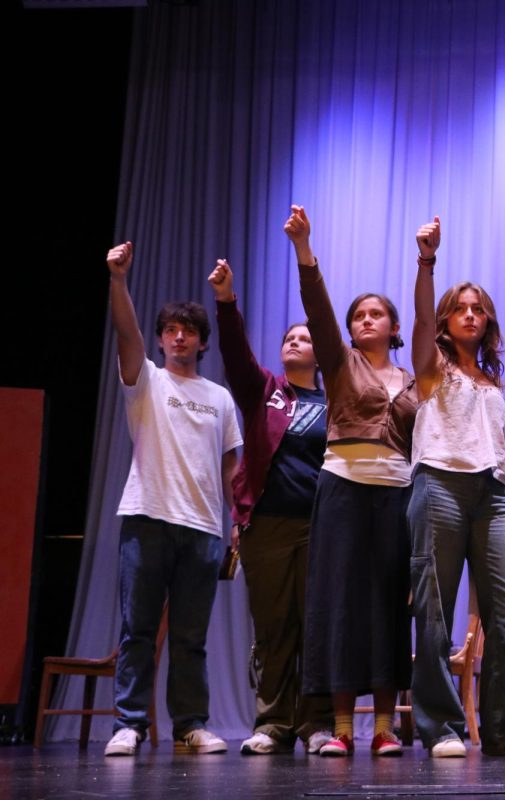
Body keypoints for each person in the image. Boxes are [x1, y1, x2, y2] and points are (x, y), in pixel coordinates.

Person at [286, 205, 418, 757]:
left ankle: (384, 726)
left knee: (387, 601)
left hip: (396, 494)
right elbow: (317, 309)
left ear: (393, 326)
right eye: (358, 315)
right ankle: (342, 728)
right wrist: (304, 251)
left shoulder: (414, 380)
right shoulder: (339, 362)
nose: (365, 320)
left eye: (375, 314)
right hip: (341, 487)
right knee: (340, 602)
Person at [405, 217, 505, 758]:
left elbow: (500, 453)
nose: (469, 314)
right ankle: (441, 726)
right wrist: (427, 262)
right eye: (460, 308)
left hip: (490, 495)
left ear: (488, 322)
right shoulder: (432, 367)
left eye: (477, 309)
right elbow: (418, 316)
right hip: (438, 483)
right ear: (446, 319)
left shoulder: (489, 381)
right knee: (434, 609)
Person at [103, 242, 242, 757]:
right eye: (170, 330)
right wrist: (119, 281)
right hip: (147, 516)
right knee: (137, 629)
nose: (179, 336)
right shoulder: (148, 381)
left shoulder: (221, 398)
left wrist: (237, 522)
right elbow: (125, 333)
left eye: (188, 331)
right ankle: (130, 724)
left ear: (203, 343)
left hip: (203, 528)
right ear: (161, 339)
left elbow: (232, 465)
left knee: (191, 637)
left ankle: (191, 725)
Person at [207, 259, 334, 755]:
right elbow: (236, 355)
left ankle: (316, 724)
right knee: (275, 628)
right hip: (268, 527)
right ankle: (273, 723)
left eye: (304, 338)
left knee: (316, 626)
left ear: (321, 353)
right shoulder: (265, 392)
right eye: (288, 339)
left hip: (321, 527)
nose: (295, 342)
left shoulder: (335, 401)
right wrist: (226, 303)